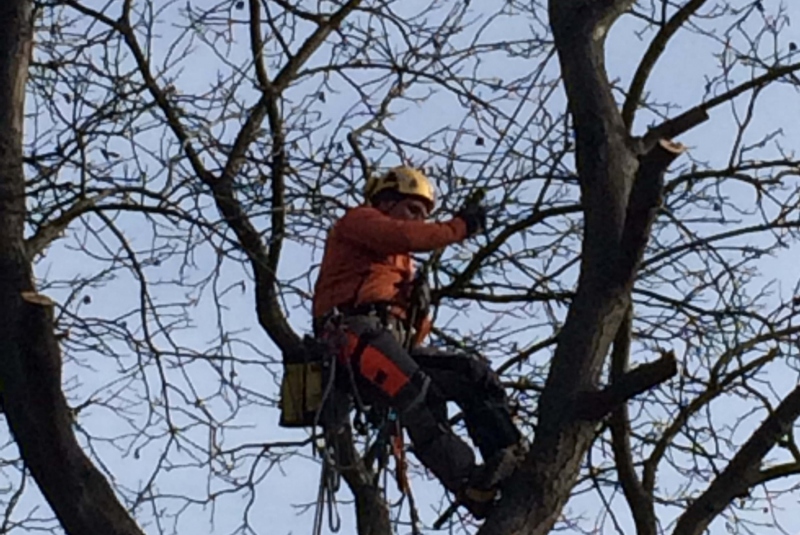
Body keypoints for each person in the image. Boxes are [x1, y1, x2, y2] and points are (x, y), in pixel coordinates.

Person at [312, 166, 523, 518]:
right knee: (419, 394)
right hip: (352, 336)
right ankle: (469, 483)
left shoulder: (400, 263)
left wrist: (417, 308)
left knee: (471, 374)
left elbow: (414, 336)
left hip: (389, 345)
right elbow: (405, 236)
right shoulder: (360, 221)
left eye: (424, 215)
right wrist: (459, 228)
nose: (420, 221)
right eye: (413, 210)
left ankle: (510, 453)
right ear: (387, 201)